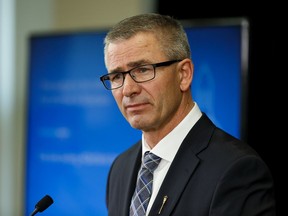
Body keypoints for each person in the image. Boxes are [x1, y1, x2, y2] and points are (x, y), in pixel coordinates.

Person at [99, 13, 276, 216]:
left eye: (142, 70)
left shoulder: (236, 169)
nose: (128, 89)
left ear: (184, 74)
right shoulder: (121, 167)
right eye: (116, 76)